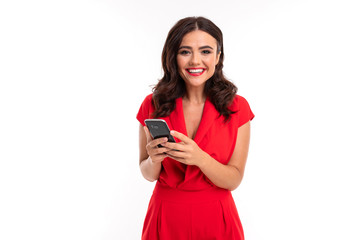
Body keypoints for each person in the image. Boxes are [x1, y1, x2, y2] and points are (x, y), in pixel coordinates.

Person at [136, 16, 254, 240]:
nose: (195, 61)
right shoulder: (152, 104)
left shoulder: (238, 107)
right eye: (185, 51)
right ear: (173, 57)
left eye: (206, 51)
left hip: (216, 217)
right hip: (166, 215)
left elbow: (234, 179)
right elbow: (147, 173)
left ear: (218, 57)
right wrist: (154, 160)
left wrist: (200, 158)